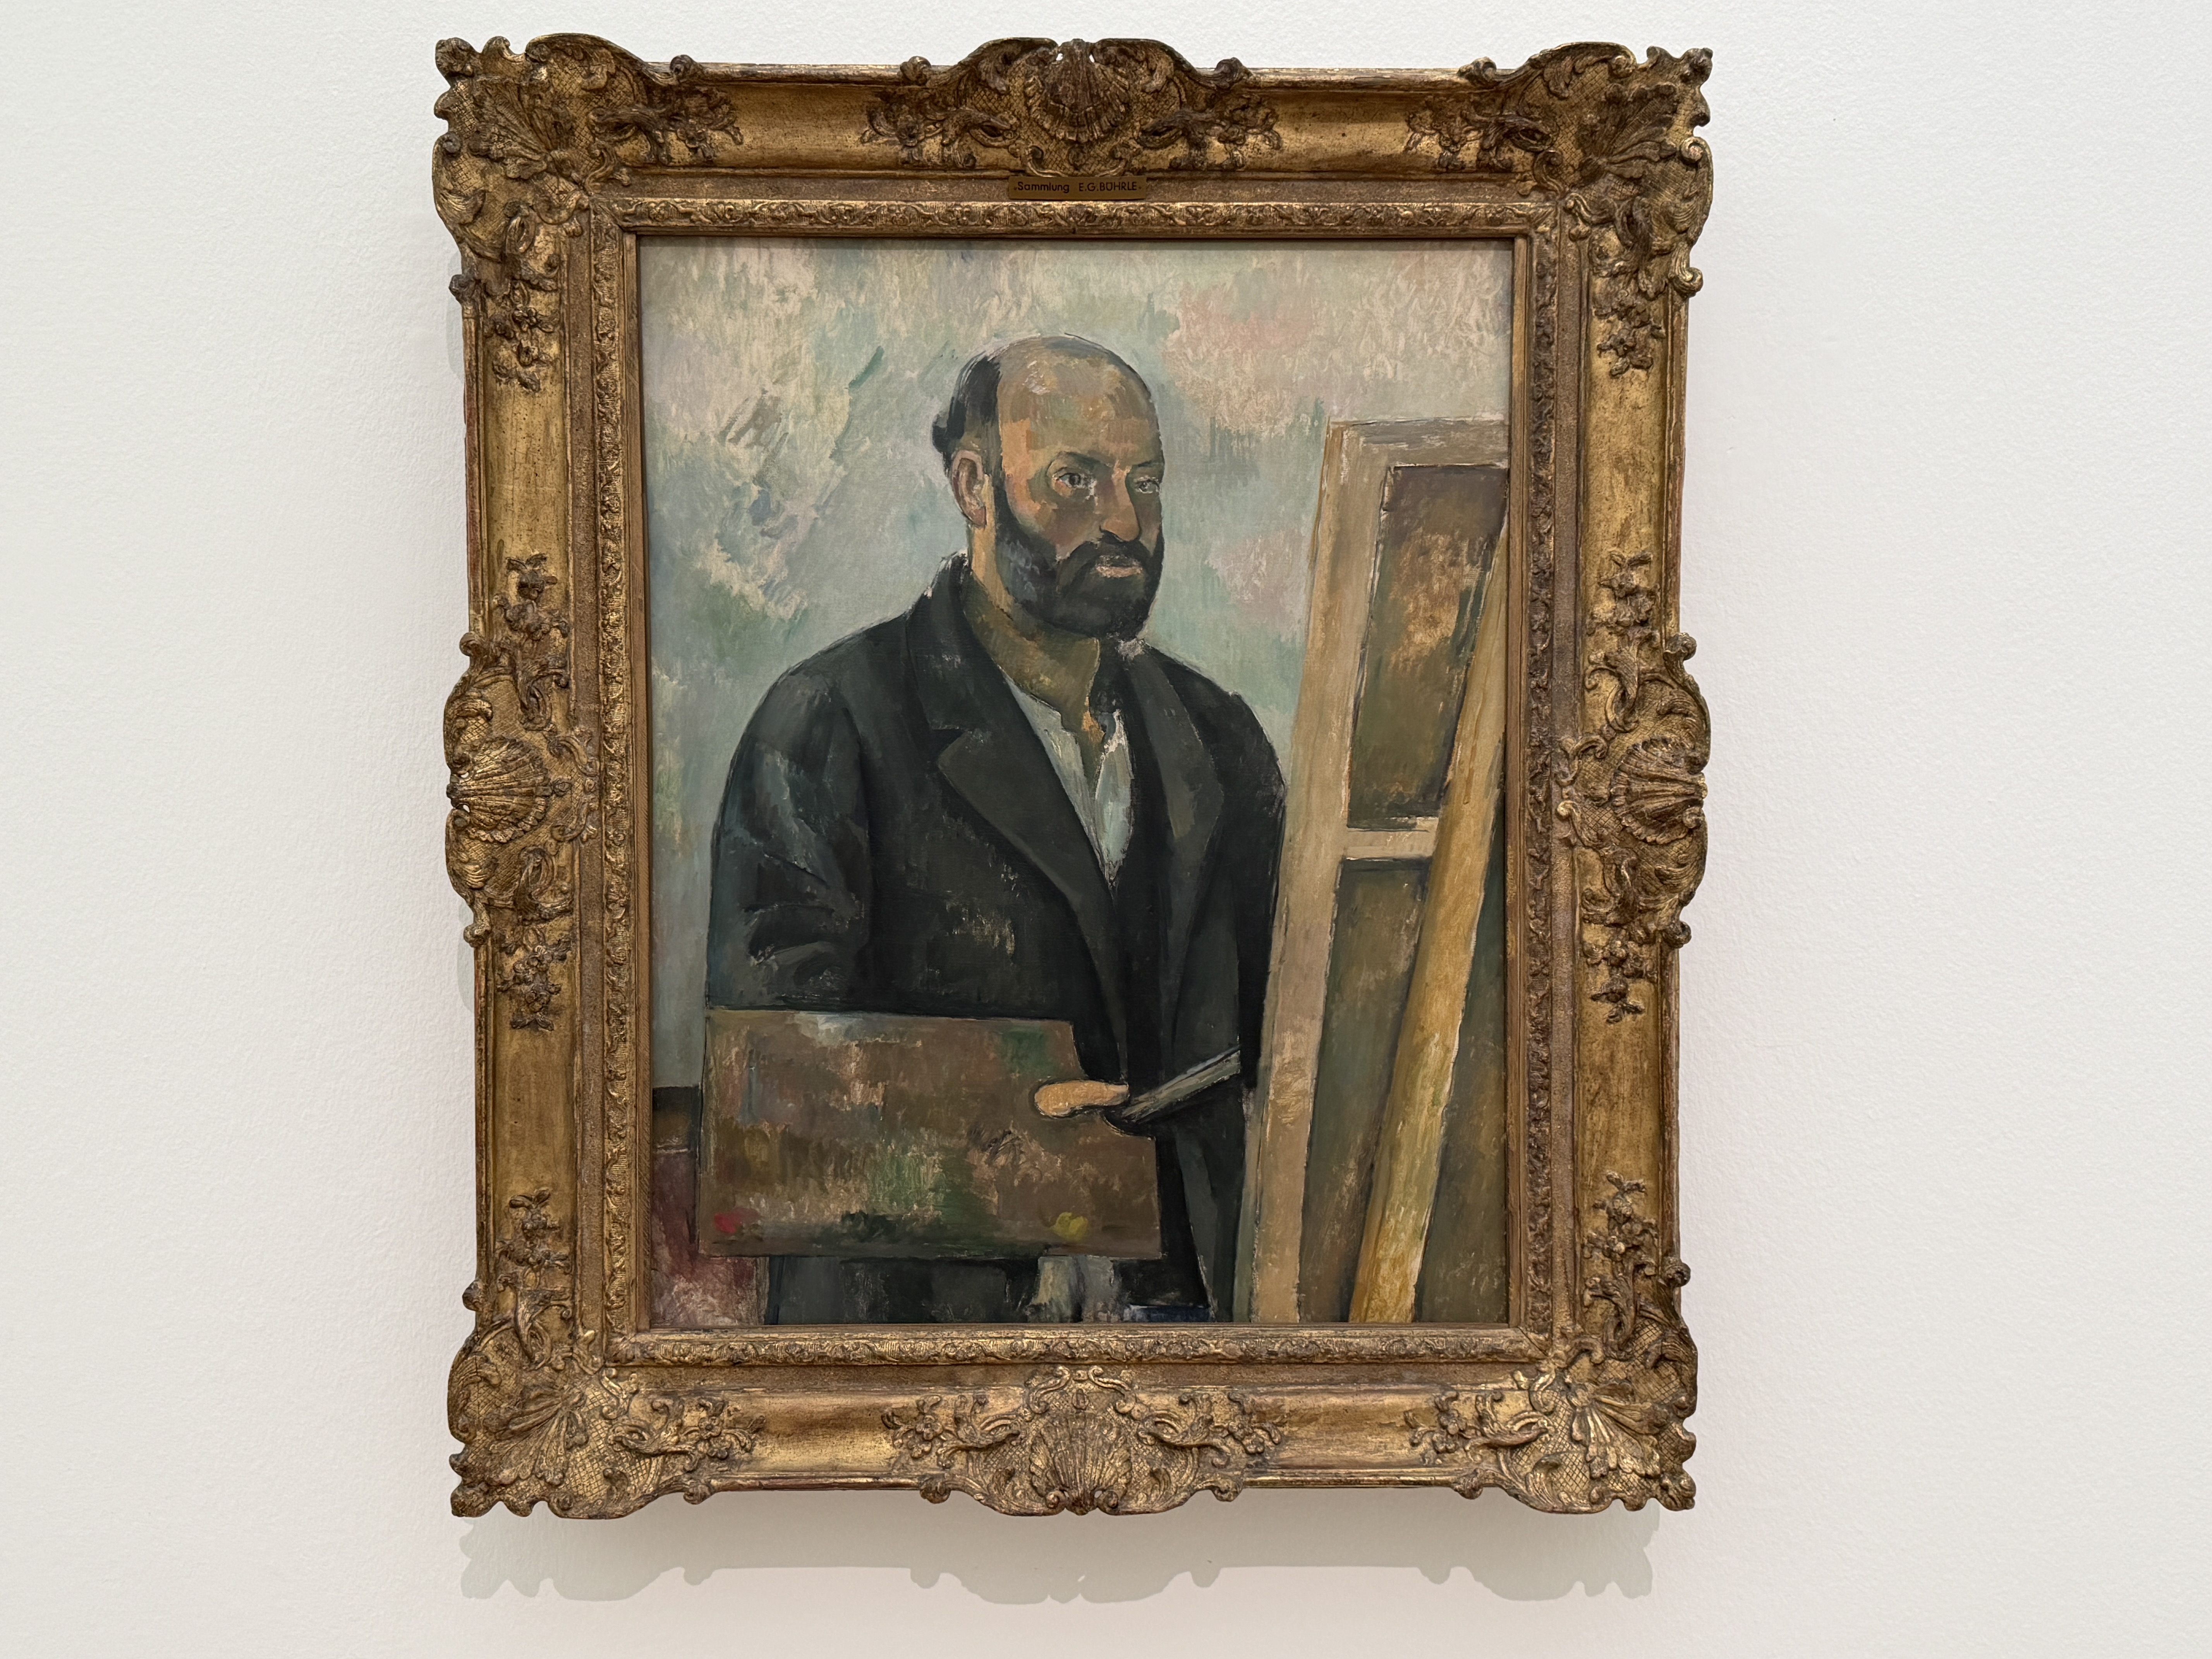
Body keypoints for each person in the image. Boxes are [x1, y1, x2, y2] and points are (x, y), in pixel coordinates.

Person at [705, 335, 1284, 1324]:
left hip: (1193, 1343)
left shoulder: (1219, 740)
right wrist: (1014, 1144)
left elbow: (1290, 1039)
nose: (1124, 522)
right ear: (974, 487)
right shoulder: (827, 724)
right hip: (930, 1351)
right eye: (1076, 480)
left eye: (1144, 482)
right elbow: (769, 1119)